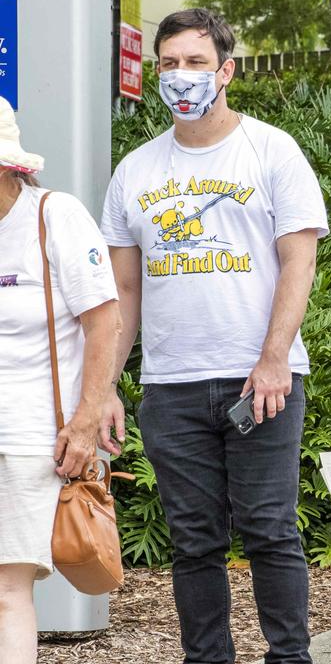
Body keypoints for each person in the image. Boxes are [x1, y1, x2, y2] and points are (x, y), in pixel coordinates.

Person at [101, 9, 329, 664]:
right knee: (193, 541)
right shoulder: (135, 172)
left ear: (226, 70)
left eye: (196, 63)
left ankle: (290, 657)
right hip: (170, 388)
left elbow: (299, 260)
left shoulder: (271, 150)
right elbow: (126, 291)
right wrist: (109, 383)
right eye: (168, 63)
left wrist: (273, 359)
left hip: (261, 379)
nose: (181, 76)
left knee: (269, 531)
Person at [0, 101, 122, 664]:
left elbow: (105, 321)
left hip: (27, 437)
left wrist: (84, 420)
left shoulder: (54, 216)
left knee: (6, 590)